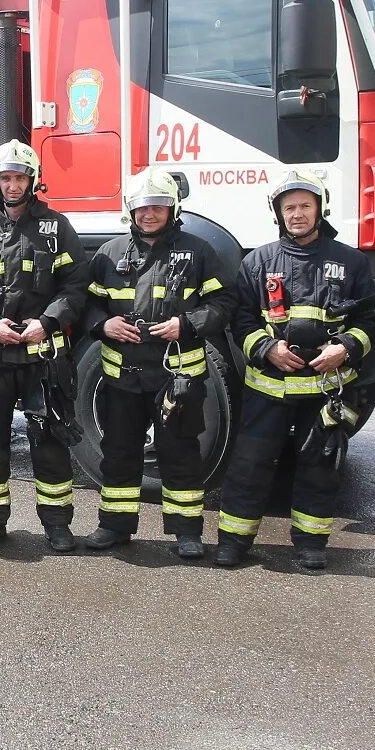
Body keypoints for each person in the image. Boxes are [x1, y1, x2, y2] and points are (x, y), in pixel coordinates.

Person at [214, 170, 375, 570]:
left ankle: (311, 543)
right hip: (269, 386)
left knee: (319, 465)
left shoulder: (351, 261)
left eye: (305, 205)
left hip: (326, 387)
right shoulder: (259, 261)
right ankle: (233, 541)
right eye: (290, 207)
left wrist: (344, 348)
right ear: (278, 213)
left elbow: (371, 321)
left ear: (320, 209)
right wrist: (267, 348)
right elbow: (241, 321)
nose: (297, 214)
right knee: (249, 463)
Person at [80, 167, 230, 559]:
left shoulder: (198, 252)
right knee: (119, 453)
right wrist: (104, 324)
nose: (149, 214)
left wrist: (187, 323)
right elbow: (87, 305)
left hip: (175, 376)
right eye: (142, 207)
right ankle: (114, 526)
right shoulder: (109, 254)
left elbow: (223, 304)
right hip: (122, 377)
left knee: (180, 454)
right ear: (130, 210)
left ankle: (186, 532)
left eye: (158, 206)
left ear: (172, 208)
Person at [0, 140, 87, 551]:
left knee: (49, 442)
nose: (13, 185)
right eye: (5, 178)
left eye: (20, 177)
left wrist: (48, 322)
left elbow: (76, 286)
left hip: (42, 362)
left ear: (33, 180)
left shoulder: (56, 228)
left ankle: (58, 525)